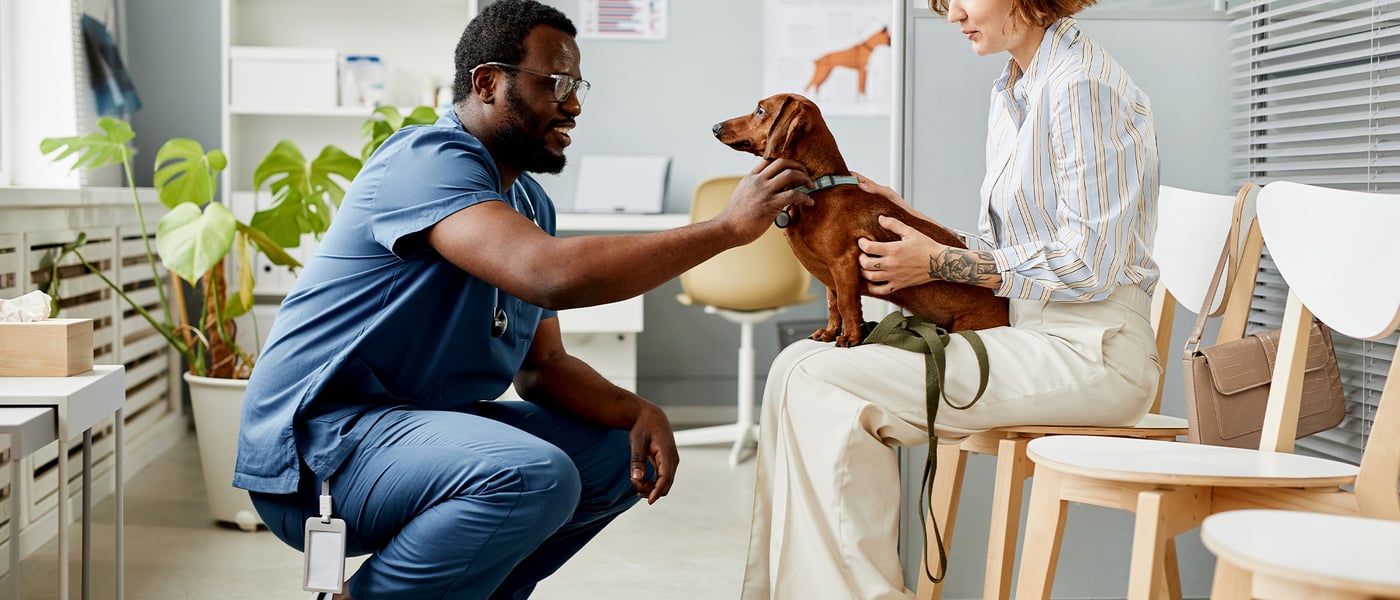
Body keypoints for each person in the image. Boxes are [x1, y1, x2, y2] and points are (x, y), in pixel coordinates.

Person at [233, 2, 813, 599]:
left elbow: (544, 367)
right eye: (556, 83)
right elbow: (547, 274)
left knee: (618, 455)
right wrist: (725, 229)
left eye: (578, 86)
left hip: (423, 433)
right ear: (488, 83)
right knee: (532, 475)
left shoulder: (531, 202)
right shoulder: (426, 160)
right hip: (322, 450)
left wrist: (636, 411)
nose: (575, 105)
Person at [741, 0, 1160, 598]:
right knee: (794, 364)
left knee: (821, 380)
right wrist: (914, 224)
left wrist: (936, 262)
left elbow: (1091, 265)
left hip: (1090, 350)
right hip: (1027, 329)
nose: (954, 13)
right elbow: (1020, 251)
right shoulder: (1015, 87)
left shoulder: (1083, 87)